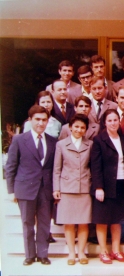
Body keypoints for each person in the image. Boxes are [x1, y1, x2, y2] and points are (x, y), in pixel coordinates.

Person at [6, 105, 57, 266]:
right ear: (30, 120)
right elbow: (11, 166)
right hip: (25, 188)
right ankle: (29, 254)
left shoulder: (53, 141)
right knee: (27, 223)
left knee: (44, 223)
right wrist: (11, 190)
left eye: (44, 120)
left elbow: (54, 168)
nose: (41, 123)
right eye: (37, 120)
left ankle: (42, 254)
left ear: (48, 121)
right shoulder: (19, 140)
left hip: (45, 188)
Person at [91, 109, 124, 264]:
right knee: (102, 220)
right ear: (104, 122)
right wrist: (98, 187)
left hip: (121, 184)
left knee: (117, 219)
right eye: (110, 120)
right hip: (105, 186)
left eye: (115, 120)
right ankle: (103, 251)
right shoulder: (99, 140)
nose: (113, 123)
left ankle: (115, 249)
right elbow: (95, 166)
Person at [53, 114, 93, 265]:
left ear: (86, 130)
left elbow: (92, 167)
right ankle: (71, 253)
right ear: (70, 128)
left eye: (82, 127)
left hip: (84, 188)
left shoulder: (90, 144)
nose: (79, 129)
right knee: (68, 222)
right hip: (67, 188)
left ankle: (81, 252)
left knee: (83, 222)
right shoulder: (61, 145)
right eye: (76, 126)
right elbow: (57, 169)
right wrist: (56, 188)